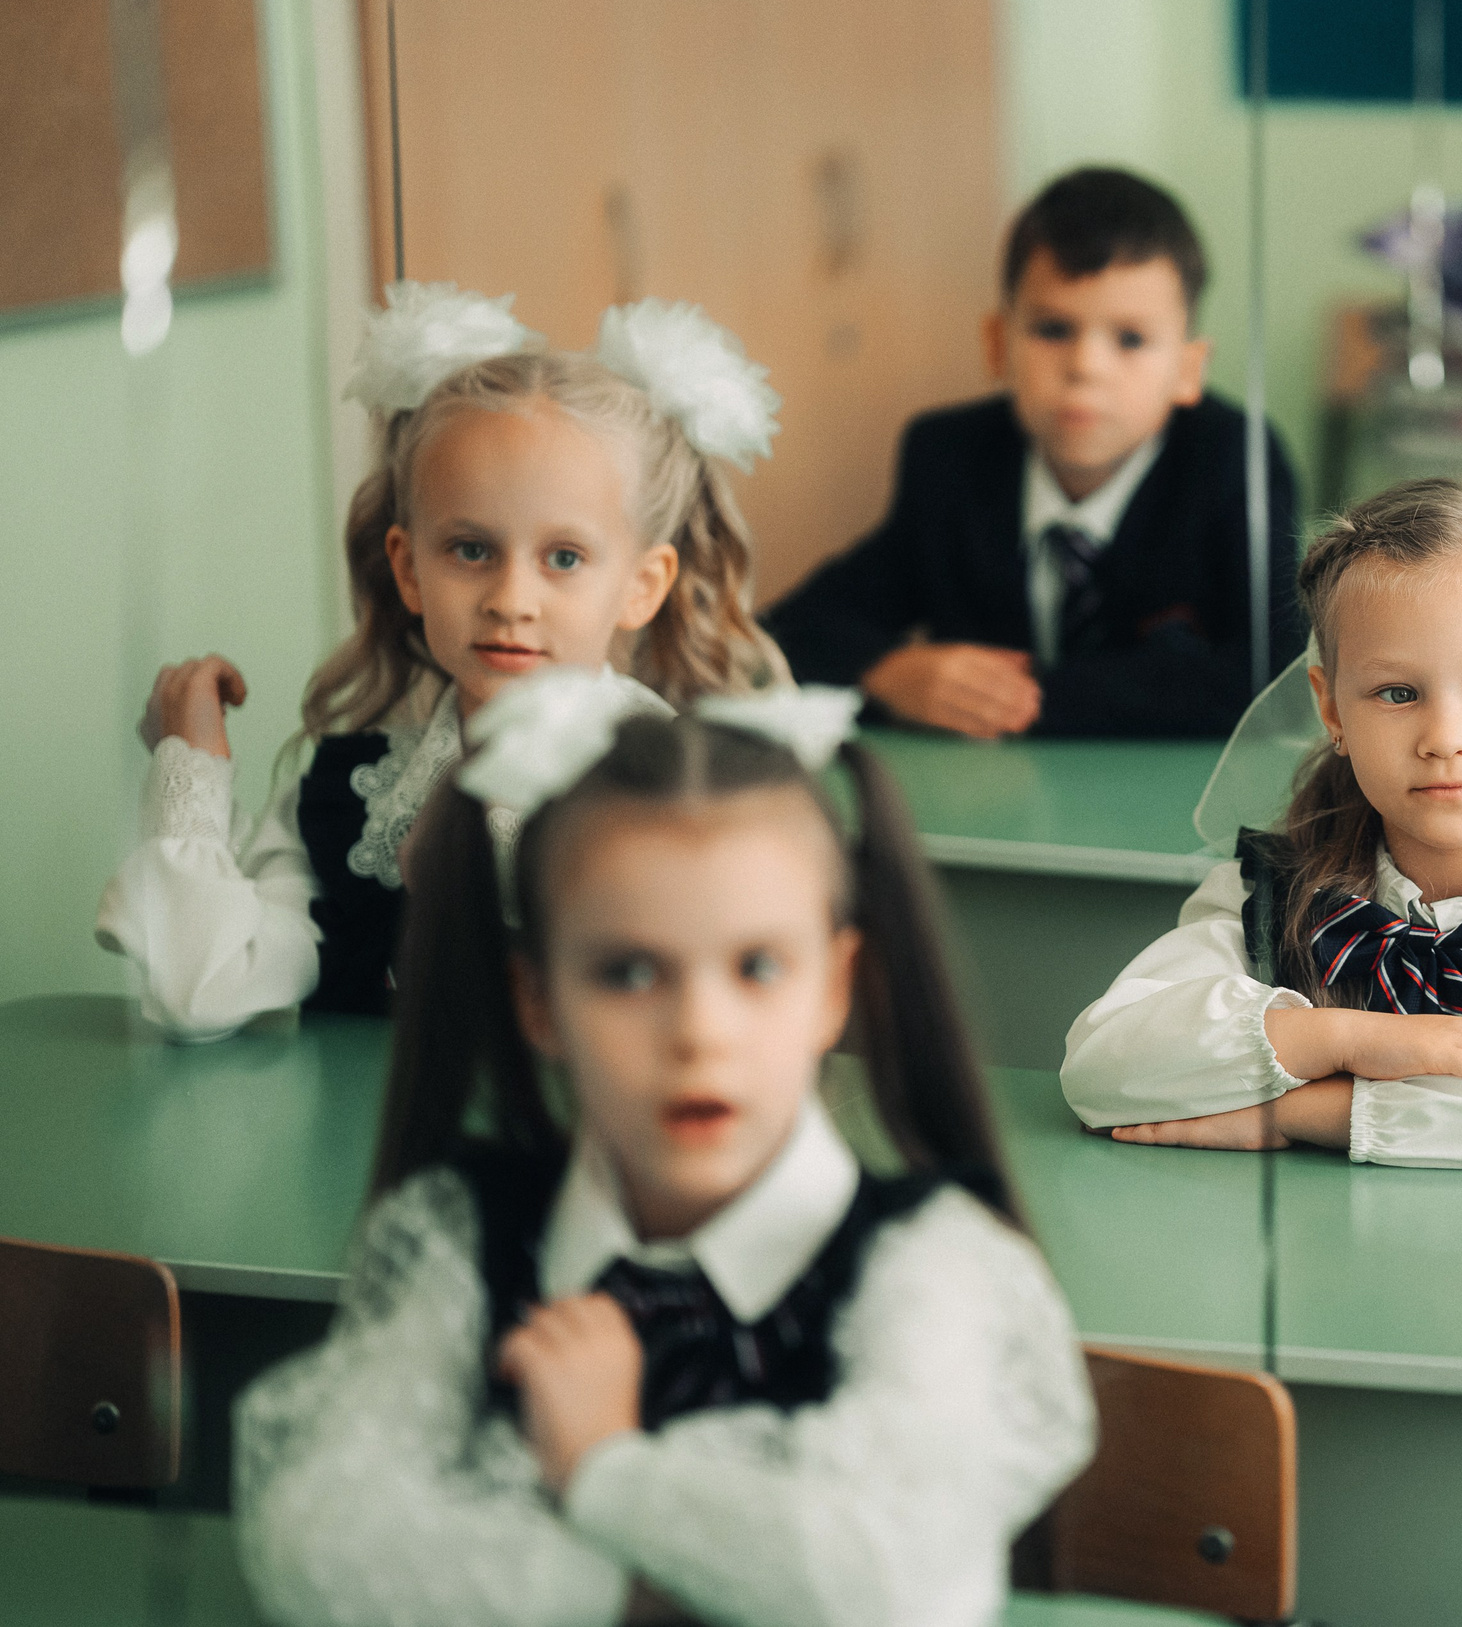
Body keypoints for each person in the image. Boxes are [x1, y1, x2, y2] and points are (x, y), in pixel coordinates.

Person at [233, 674, 1093, 1627]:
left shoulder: (929, 1262)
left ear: (834, 987)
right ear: (538, 1000)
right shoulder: (460, 1236)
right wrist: (660, 1591)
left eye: (757, 967)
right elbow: (323, 1546)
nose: (698, 1032)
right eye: (628, 972)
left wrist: (603, 1469)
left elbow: (881, 1582)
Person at [95, 285, 788, 1040]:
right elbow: (205, 991)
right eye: (471, 549)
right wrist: (191, 770)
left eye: (563, 557)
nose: (510, 598)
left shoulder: (688, 794)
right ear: (409, 567)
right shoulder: (344, 800)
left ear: (641, 585)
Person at [1060, 480, 1462, 1170]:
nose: (1445, 737)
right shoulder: (1267, 890)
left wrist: (1286, 1113)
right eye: (1397, 693)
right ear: (1333, 709)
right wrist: (1345, 1039)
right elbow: (1100, 1066)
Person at [763, 167, 1301, 738]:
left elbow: (1274, 678)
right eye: (1053, 329)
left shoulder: (1231, 458)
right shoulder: (950, 459)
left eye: (1130, 339)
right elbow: (792, 628)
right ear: (998, 344)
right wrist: (888, 670)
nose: (1086, 367)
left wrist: (1023, 698)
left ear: (1188, 370)